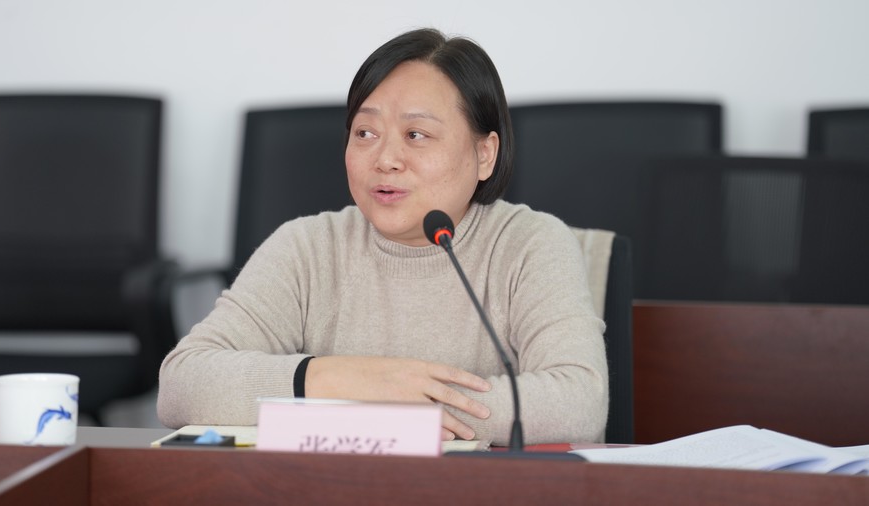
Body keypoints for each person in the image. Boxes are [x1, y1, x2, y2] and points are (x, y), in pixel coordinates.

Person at [158, 27, 608, 445]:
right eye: (365, 132)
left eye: (416, 134)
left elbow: (578, 403)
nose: (386, 158)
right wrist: (347, 380)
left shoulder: (530, 244)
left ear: (484, 153)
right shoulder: (307, 247)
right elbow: (182, 385)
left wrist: (400, 404)